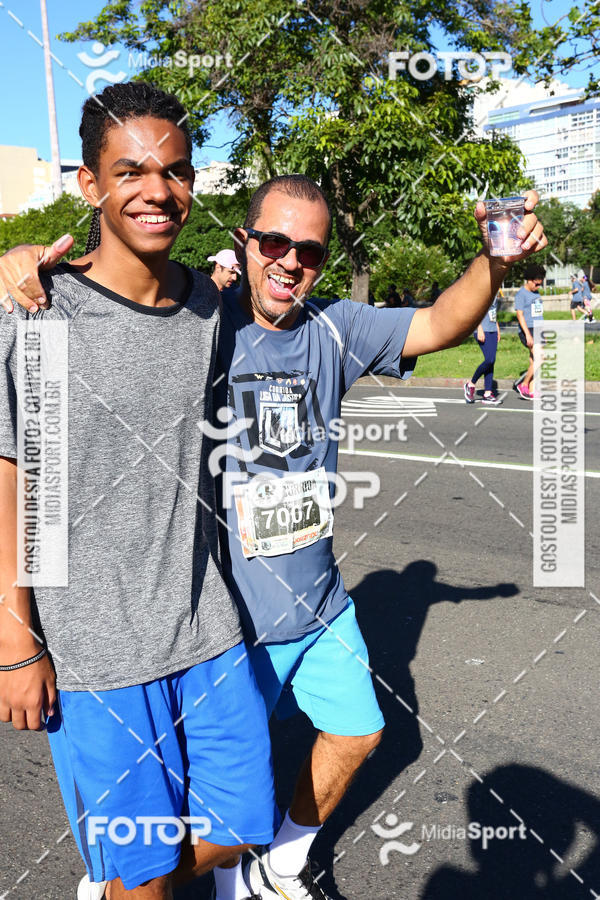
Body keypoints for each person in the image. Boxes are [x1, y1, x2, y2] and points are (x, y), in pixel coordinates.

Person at [0, 174, 548, 900]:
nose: (290, 261)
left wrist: (496, 263)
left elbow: (440, 323)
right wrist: (25, 260)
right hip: (226, 619)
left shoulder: (336, 328)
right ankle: (131, 882)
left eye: (310, 251)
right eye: (274, 242)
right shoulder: (199, 320)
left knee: (357, 734)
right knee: (216, 805)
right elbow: (113, 292)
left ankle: (280, 865)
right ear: (245, 241)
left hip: (320, 606)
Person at [0, 83, 275, 900]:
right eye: (131, 172)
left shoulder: (204, 305)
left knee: (239, 832)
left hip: (208, 627)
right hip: (96, 651)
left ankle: (118, 882)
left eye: (177, 172)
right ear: (89, 185)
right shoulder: (40, 312)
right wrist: (15, 640)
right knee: (147, 879)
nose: (158, 191)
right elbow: (13, 480)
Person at [513, 263, 546, 400]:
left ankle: (532, 390)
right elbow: (520, 315)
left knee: (534, 360)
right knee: (541, 357)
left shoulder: (535, 293)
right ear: (529, 280)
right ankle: (524, 384)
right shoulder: (521, 294)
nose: (538, 287)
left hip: (538, 328)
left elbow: (539, 313)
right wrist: (527, 334)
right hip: (529, 330)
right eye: (536, 284)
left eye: (540, 284)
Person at [463, 294, 503, 405]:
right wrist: (478, 328)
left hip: (492, 329)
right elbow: (475, 311)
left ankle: (488, 393)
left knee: (491, 361)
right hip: (482, 330)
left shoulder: (495, 291)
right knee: (490, 359)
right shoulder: (483, 290)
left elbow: (493, 311)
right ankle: (471, 383)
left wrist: (497, 328)